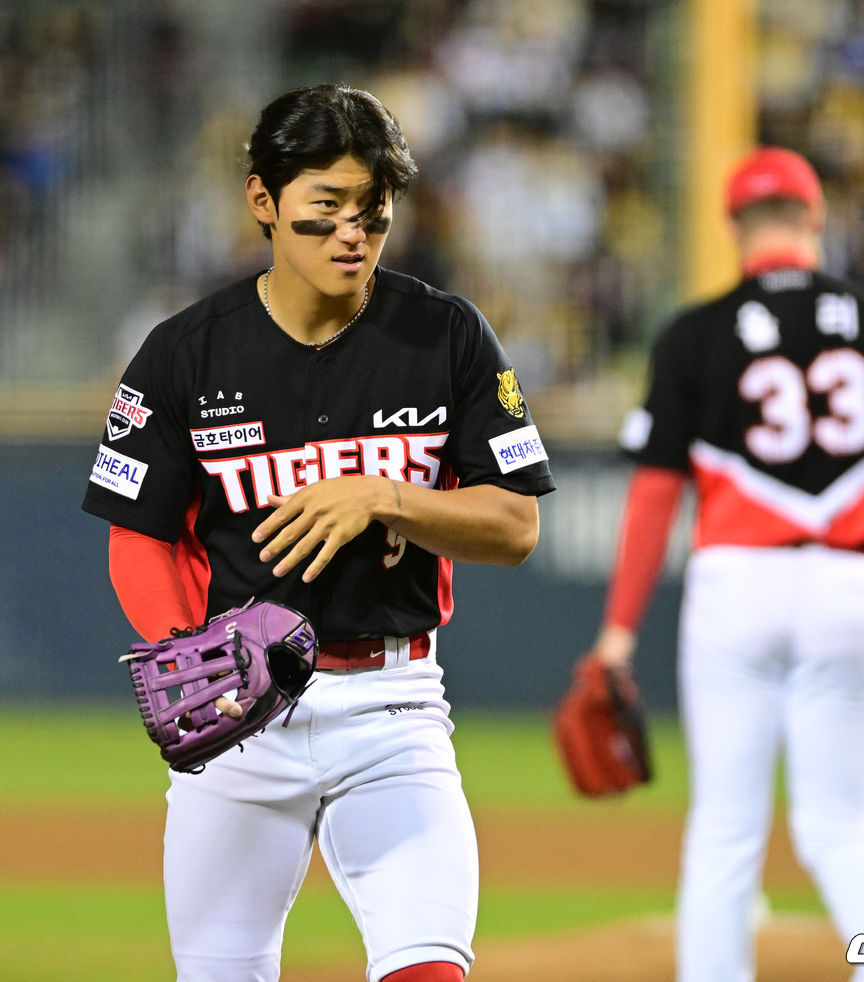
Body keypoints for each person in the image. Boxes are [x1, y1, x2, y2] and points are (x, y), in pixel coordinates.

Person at [82, 83, 555, 982]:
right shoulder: (186, 352)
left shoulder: (444, 334)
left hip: (392, 707)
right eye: (326, 206)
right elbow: (137, 536)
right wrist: (187, 654)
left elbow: (515, 522)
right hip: (238, 721)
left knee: (429, 969)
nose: (352, 233)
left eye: (373, 210)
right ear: (262, 199)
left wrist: (387, 497)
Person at [588, 146, 864, 982]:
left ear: (733, 226)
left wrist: (617, 633)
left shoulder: (695, 333)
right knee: (842, 831)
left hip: (740, 581)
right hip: (854, 580)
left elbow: (655, 494)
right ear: (814, 217)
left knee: (725, 831)